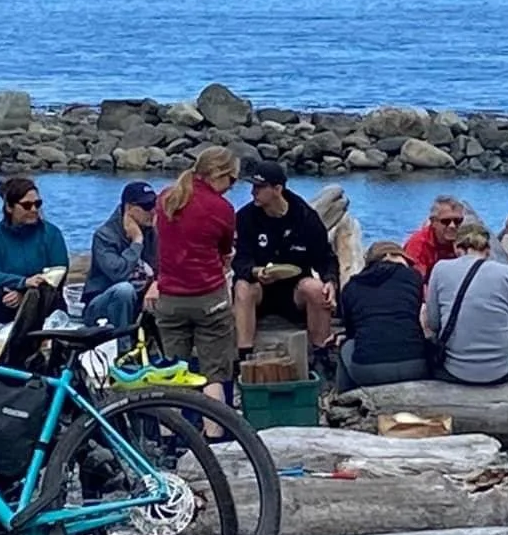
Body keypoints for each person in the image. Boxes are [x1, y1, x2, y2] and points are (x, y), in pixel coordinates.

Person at [152, 146, 241, 397]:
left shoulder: (166, 198)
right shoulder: (222, 208)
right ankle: (214, 422)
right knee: (215, 373)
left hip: (170, 298)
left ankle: (174, 421)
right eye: (232, 180)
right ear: (219, 174)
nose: (231, 187)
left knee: (174, 373)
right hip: (208, 297)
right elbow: (225, 250)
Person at [232, 161, 339, 362]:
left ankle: (321, 354)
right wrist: (255, 271)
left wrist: (331, 281)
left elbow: (325, 258)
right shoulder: (246, 217)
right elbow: (240, 260)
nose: (253, 192)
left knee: (317, 289)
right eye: (253, 186)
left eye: (260, 187)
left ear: (277, 189)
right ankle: (244, 355)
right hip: (260, 288)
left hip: (294, 290)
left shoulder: (305, 217)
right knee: (243, 286)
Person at [423, 222, 508, 384]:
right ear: (488, 250)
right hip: (501, 370)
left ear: (456, 247)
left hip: (454, 369)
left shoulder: (440, 269)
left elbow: (434, 323)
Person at [333, 240, 430, 390]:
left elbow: (352, 331)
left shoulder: (352, 286)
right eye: (405, 260)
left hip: (369, 370)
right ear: (389, 255)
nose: (408, 264)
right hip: (416, 365)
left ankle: (343, 396)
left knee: (346, 346)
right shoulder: (413, 277)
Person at [0, 176, 71, 330]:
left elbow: (59, 271)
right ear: (9, 207)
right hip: (7, 298)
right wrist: (22, 282)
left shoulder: (52, 234)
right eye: (27, 205)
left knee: (54, 296)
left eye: (37, 204)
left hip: (43, 297)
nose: (34, 209)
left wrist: (27, 295)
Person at [82, 180, 160, 332]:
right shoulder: (104, 235)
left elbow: (168, 265)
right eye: (147, 206)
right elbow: (118, 273)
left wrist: (158, 283)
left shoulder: (154, 231)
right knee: (124, 290)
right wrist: (137, 242)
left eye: (155, 205)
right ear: (129, 208)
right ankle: (122, 343)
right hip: (102, 303)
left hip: (140, 299)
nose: (153, 211)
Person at [402, 194, 466, 277]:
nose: (452, 226)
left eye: (458, 221)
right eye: (446, 221)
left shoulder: (466, 240)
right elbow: (415, 279)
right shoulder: (419, 244)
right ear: (433, 222)